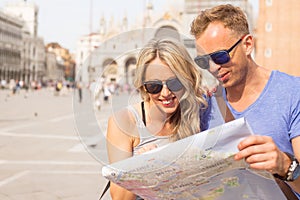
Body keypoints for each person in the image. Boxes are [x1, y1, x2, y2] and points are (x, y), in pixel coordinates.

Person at [190, 4, 300, 198]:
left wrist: (285, 165)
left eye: (220, 56)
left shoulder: (293, 93)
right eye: (204, 62)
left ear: (248, 44)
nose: (214, 68)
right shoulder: (205, 106)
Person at [106, 38, 208, 199]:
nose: (165, 93)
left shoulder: (197, 112)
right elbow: (119, 197)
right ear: (143, 86)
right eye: (154, 86)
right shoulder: (125, 121)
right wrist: (141, 166)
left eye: (175, 83)